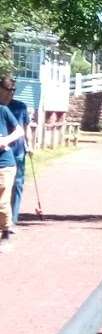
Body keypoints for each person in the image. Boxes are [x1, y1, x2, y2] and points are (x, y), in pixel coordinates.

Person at [0, 77, 30, 231]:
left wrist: (29, 144)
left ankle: (13, 218)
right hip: (4, 154)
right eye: (8, 90)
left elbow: (25, 127)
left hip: (17, 152)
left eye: (13, 91)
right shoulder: (2, 108)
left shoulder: (20, 107)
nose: (11, 94)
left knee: (17, 184)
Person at [0, 97, 25, 249]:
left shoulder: (2, 110)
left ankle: (6, 232)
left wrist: (5, 141)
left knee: (2, 202)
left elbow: (20, 131)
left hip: (4, 164)